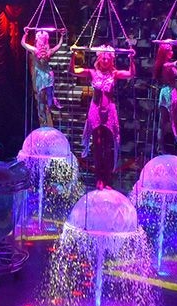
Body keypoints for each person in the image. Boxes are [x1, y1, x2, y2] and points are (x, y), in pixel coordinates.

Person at [71, 45, 135, 189]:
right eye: (103, 58)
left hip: (109, 111)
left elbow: (131, 74)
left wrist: (131, 58)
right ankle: (99, 178)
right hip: (95, 110)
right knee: (98, 144)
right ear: (99, 58)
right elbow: (73, 71)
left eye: (108, 58)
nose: (105, 60)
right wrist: (73, 55)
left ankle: (107, 179)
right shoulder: (92, 72)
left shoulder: (114, 74)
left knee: (108, 145)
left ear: (111, 60)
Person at [152, 42, 177, 157]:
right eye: (170, 51)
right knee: (175, 121)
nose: (172, 52)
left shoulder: (163, 65)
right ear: (165, 53)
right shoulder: (166, 65)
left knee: (162, 122)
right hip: (170, 92)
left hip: (163, 92)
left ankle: (160, 147)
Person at [21, 28, 64, 128]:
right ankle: (44, 119)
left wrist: (62, 36)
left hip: (47, 75)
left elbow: (58, 46)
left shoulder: (47, 51)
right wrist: (25, 34)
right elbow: (23, 43)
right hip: (41, 75)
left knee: (48, 96)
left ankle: (49, 109)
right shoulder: (35, 50)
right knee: (41, 97)